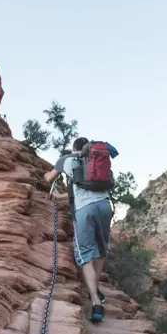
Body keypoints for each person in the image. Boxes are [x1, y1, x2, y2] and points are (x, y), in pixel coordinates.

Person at [43, 137, 116, 322]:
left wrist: (47, 179)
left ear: (74, 148)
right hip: (106, 205)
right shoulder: (95, 160)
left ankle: (95, 302)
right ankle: (96, 287)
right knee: (100, 250)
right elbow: (82, 187)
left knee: (84, 255)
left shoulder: (66, 160)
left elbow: (48, 178)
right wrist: (63, 195)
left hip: (85, 209)